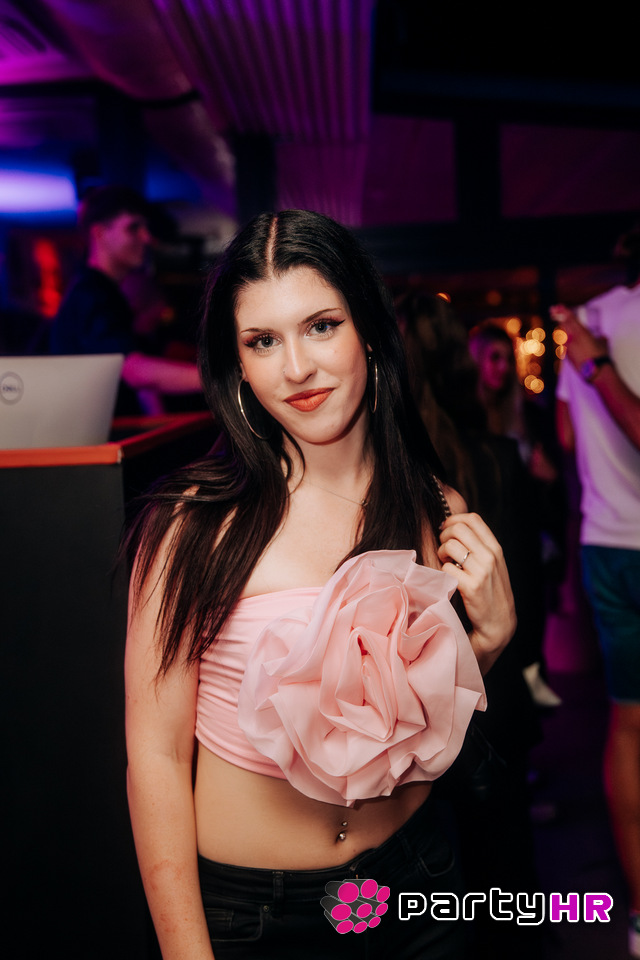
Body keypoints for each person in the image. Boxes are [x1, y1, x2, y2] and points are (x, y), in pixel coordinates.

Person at [122, 209, 516, 959]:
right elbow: (157, 759)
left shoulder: (436, 508)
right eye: (262, 341)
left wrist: (488, 645)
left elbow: (416, 734)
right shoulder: (193, 526)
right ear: (238, 364)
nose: (296, 368)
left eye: (322, 326)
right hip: (254, 918)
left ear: (368, 331)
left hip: (418, 886)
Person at [400, 291, 545, 959]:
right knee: (504, 877)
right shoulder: (491, 458)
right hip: (490, 695)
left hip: (415, 706)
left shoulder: (393, 480)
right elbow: (526, 593)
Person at [551, 224, 640, 958]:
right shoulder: (596, 333)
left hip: (605, 541)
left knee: (628, 724)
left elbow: (568, 440)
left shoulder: (586, 318)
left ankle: (638, 913)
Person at [468, 323, 564, 708]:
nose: (503, 367)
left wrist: (550, 478)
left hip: (526, 548)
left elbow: (554, 487)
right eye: (494, 358)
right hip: (488, 543)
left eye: (508, 359)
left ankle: (528, 712)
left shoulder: (529, 417)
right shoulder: (467, 421)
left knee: (527, 635)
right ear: (475, 361)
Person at [50, 184, 202, 414]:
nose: (146, 237)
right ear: (100, 233)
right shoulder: (91, 294)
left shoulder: (101, 290)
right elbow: (132, 370)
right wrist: (219, 379)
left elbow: (136, 374)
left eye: (145, 228)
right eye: (133, 227)